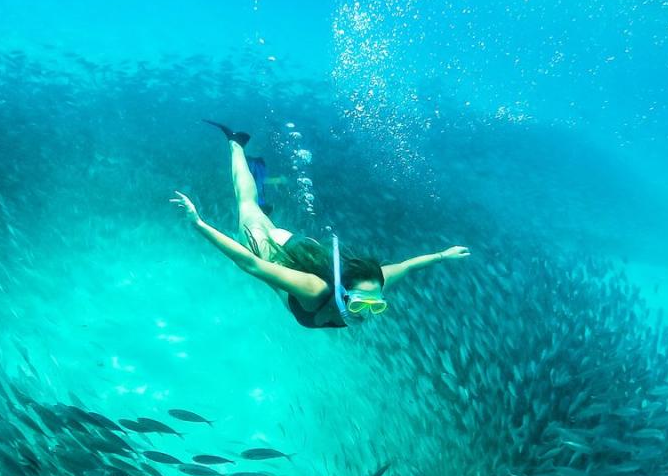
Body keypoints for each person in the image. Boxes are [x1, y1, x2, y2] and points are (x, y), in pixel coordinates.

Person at [171, 123, 470, 330]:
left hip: (304, 249)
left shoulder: (375, 282)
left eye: (376, 307)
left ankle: (262, 198)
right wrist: (198, 223)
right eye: (358, 305)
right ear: (342, 294)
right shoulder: (313, 290)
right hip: (270, 251)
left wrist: (444, 255)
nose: (365, 314)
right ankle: (235, 143)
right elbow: (250, 264)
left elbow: (407, 266)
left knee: (260, 212)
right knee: (247, 205)